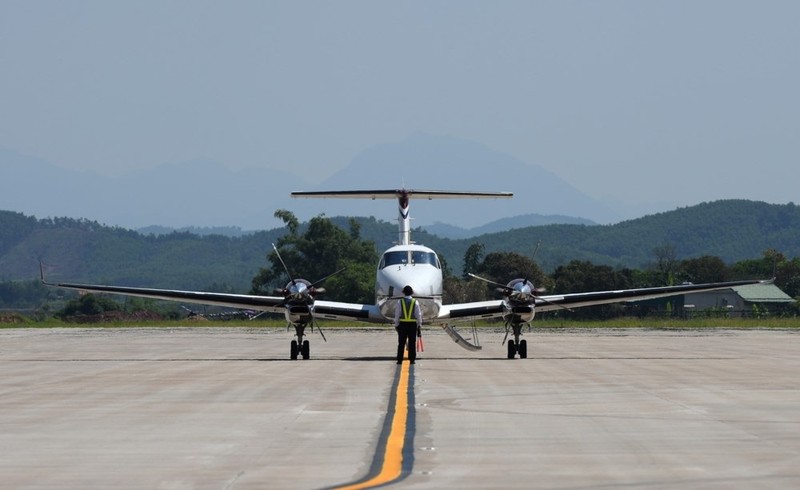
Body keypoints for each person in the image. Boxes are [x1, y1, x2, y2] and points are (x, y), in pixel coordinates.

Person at [394, 285, 422, 364]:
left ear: (403, 292)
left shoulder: (400, 302)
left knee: (401, 343)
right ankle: (412, 359)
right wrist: (419, 324)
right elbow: (418, 314)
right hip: (412, 325)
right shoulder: (415, 302)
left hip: (402, 325)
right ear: (412, 292)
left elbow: (397, 314)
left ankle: (399, 360)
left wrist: (396, 325)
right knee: (412, 342)